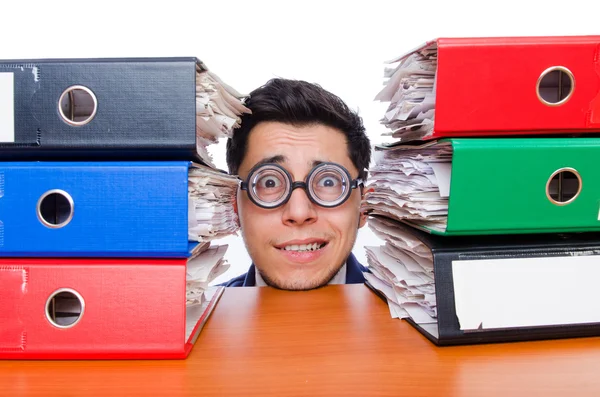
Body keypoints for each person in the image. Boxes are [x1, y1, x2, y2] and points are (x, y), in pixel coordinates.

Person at [221, 78, 371, 290]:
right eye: (270, 182)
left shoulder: (423, 320)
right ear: (233, 208)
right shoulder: (191, 320)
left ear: (364, 206)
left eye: (328, 181)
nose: (299, 213)